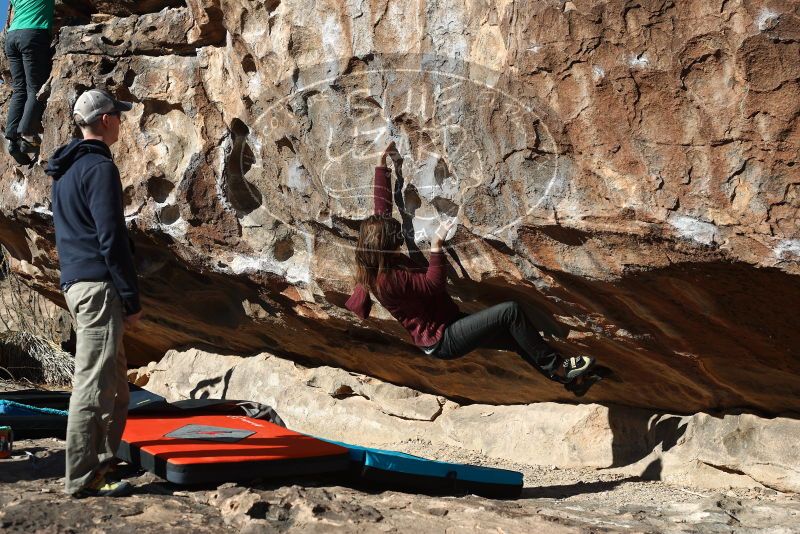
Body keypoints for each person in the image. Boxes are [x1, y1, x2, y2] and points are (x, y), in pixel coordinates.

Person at [345, 144, 595, 389]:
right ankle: (561, 368)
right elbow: (433, 285)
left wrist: (381, 166)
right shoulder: (387, 279)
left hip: (449, 323)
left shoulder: (376, 257)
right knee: (510, 312)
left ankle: (570, 381)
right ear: (385, 244)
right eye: (396, 237)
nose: (400, 238)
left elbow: (381, 213)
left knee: (516, 338)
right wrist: (436, 247)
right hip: (443, 339)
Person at [46, 89, 142, 498]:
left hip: (76, 282)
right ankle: (82, 476)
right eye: (117, 116)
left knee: (116, 383)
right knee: (92, 382)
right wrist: (130, 296)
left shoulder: (65, 171)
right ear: (105, 120)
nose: (121, 121)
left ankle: (103, 462)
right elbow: (112, 238)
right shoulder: (100, 169)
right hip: (99, 287)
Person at [4, 0, 55, 165]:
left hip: (11, 37)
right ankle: (26, 134)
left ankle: (12, 139)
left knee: (19, 89)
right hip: (33, 33)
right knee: (35, 88)